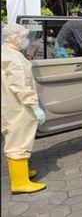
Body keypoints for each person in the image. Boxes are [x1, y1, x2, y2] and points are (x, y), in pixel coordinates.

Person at [1, 23, 47, 194]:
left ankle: (22, 172)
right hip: (19, 107)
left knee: (16, 138)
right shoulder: (14, 59)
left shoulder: (7, 52)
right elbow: (20, 85)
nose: (26, 40)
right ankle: (19, 183)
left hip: (12, 105)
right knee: (18, 141)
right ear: (16, 38)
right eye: (24, 37)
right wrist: (34, 107)